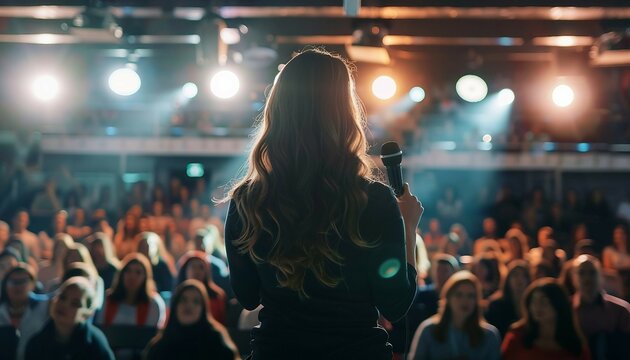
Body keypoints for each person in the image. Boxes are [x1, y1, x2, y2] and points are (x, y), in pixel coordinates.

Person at [223, 49, 422, 359]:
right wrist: (408, 226)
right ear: (344, 112)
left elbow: (247, 296)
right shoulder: (372, 199)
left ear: (279, 108)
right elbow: (395, 305)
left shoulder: (249, 200)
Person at [408, 271, 501, 360]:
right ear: (448, 298)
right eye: (459, 295)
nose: (465, 301)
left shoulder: (489, 335)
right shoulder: (428, 330)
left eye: (471, 296)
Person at [144, 280, 239, 360]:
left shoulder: (216, 340)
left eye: (196, 301)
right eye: (183, 300)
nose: (189, 305)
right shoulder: (160, 347)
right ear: (175, 306)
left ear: (203, 309)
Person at [25, 277, 114, 360]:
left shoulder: (94, 344)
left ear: (86, 314)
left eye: (75, 304)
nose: (64, 305)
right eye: (62, 297)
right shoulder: (37, 343)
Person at [501, 278, 590, 360]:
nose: (537, 307)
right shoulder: (517, 336)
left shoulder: (574, 344)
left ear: (559, 305)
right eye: (534, 301)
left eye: (543, 301)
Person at [571, 255, 630, 360]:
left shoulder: (620, 310)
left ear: (601, 276)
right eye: (581, 273)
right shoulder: (565, 308)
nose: (587, 278)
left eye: (592, 272)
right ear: (573, 277)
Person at [96, 253, 165, 328]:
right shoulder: (107, 299)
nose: (132, 276)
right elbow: (100, 326)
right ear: (121, 274)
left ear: (145, 277)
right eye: (128, 271)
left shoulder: (154, 304)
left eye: (138, 272)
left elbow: (151, 333)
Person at [0, 264, 49, 360]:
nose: (17, 286)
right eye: (13, 282)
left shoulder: (45, 306)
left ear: (33, 284)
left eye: (22, 281)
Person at [177, 251, 227, 325]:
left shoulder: (217, 296)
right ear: (185, 270)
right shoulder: (177, 294)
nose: (197, 271)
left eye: (201, 267)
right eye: (193, 266)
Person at [485, 260, 531, 338]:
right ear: (508, 279)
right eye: (515, 275)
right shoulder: (496, 305)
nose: (519, 279)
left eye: (524, 276)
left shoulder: (532, 304)